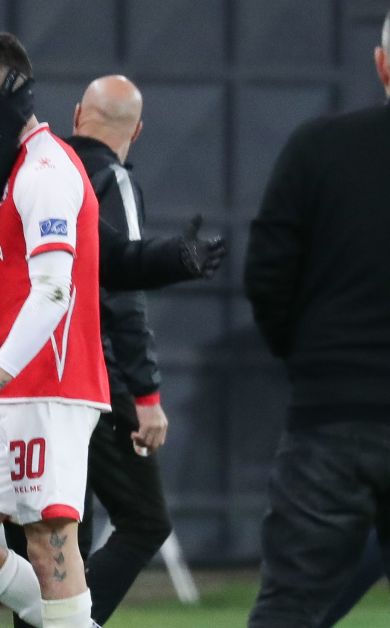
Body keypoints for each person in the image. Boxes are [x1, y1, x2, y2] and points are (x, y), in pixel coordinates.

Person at [0, 38, 225, 628]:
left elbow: (64, 287)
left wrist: (171, 259)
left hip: (46, 386)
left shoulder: (45, 170)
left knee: (51, 545)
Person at [6, 74, 209, 628]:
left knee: (57, 532)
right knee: (143, 519)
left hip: (25, 377)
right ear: (137, 131)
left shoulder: (44, 169)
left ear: (77, 115)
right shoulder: (111, 180)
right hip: (93, 380)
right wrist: (146, 393)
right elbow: (121, 290)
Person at [244, 9, 390, 626]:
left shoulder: (318, 146)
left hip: (331, 418)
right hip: (333, 402)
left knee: (291, 607)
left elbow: (267, 273)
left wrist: (310, 360)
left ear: (382, 65)